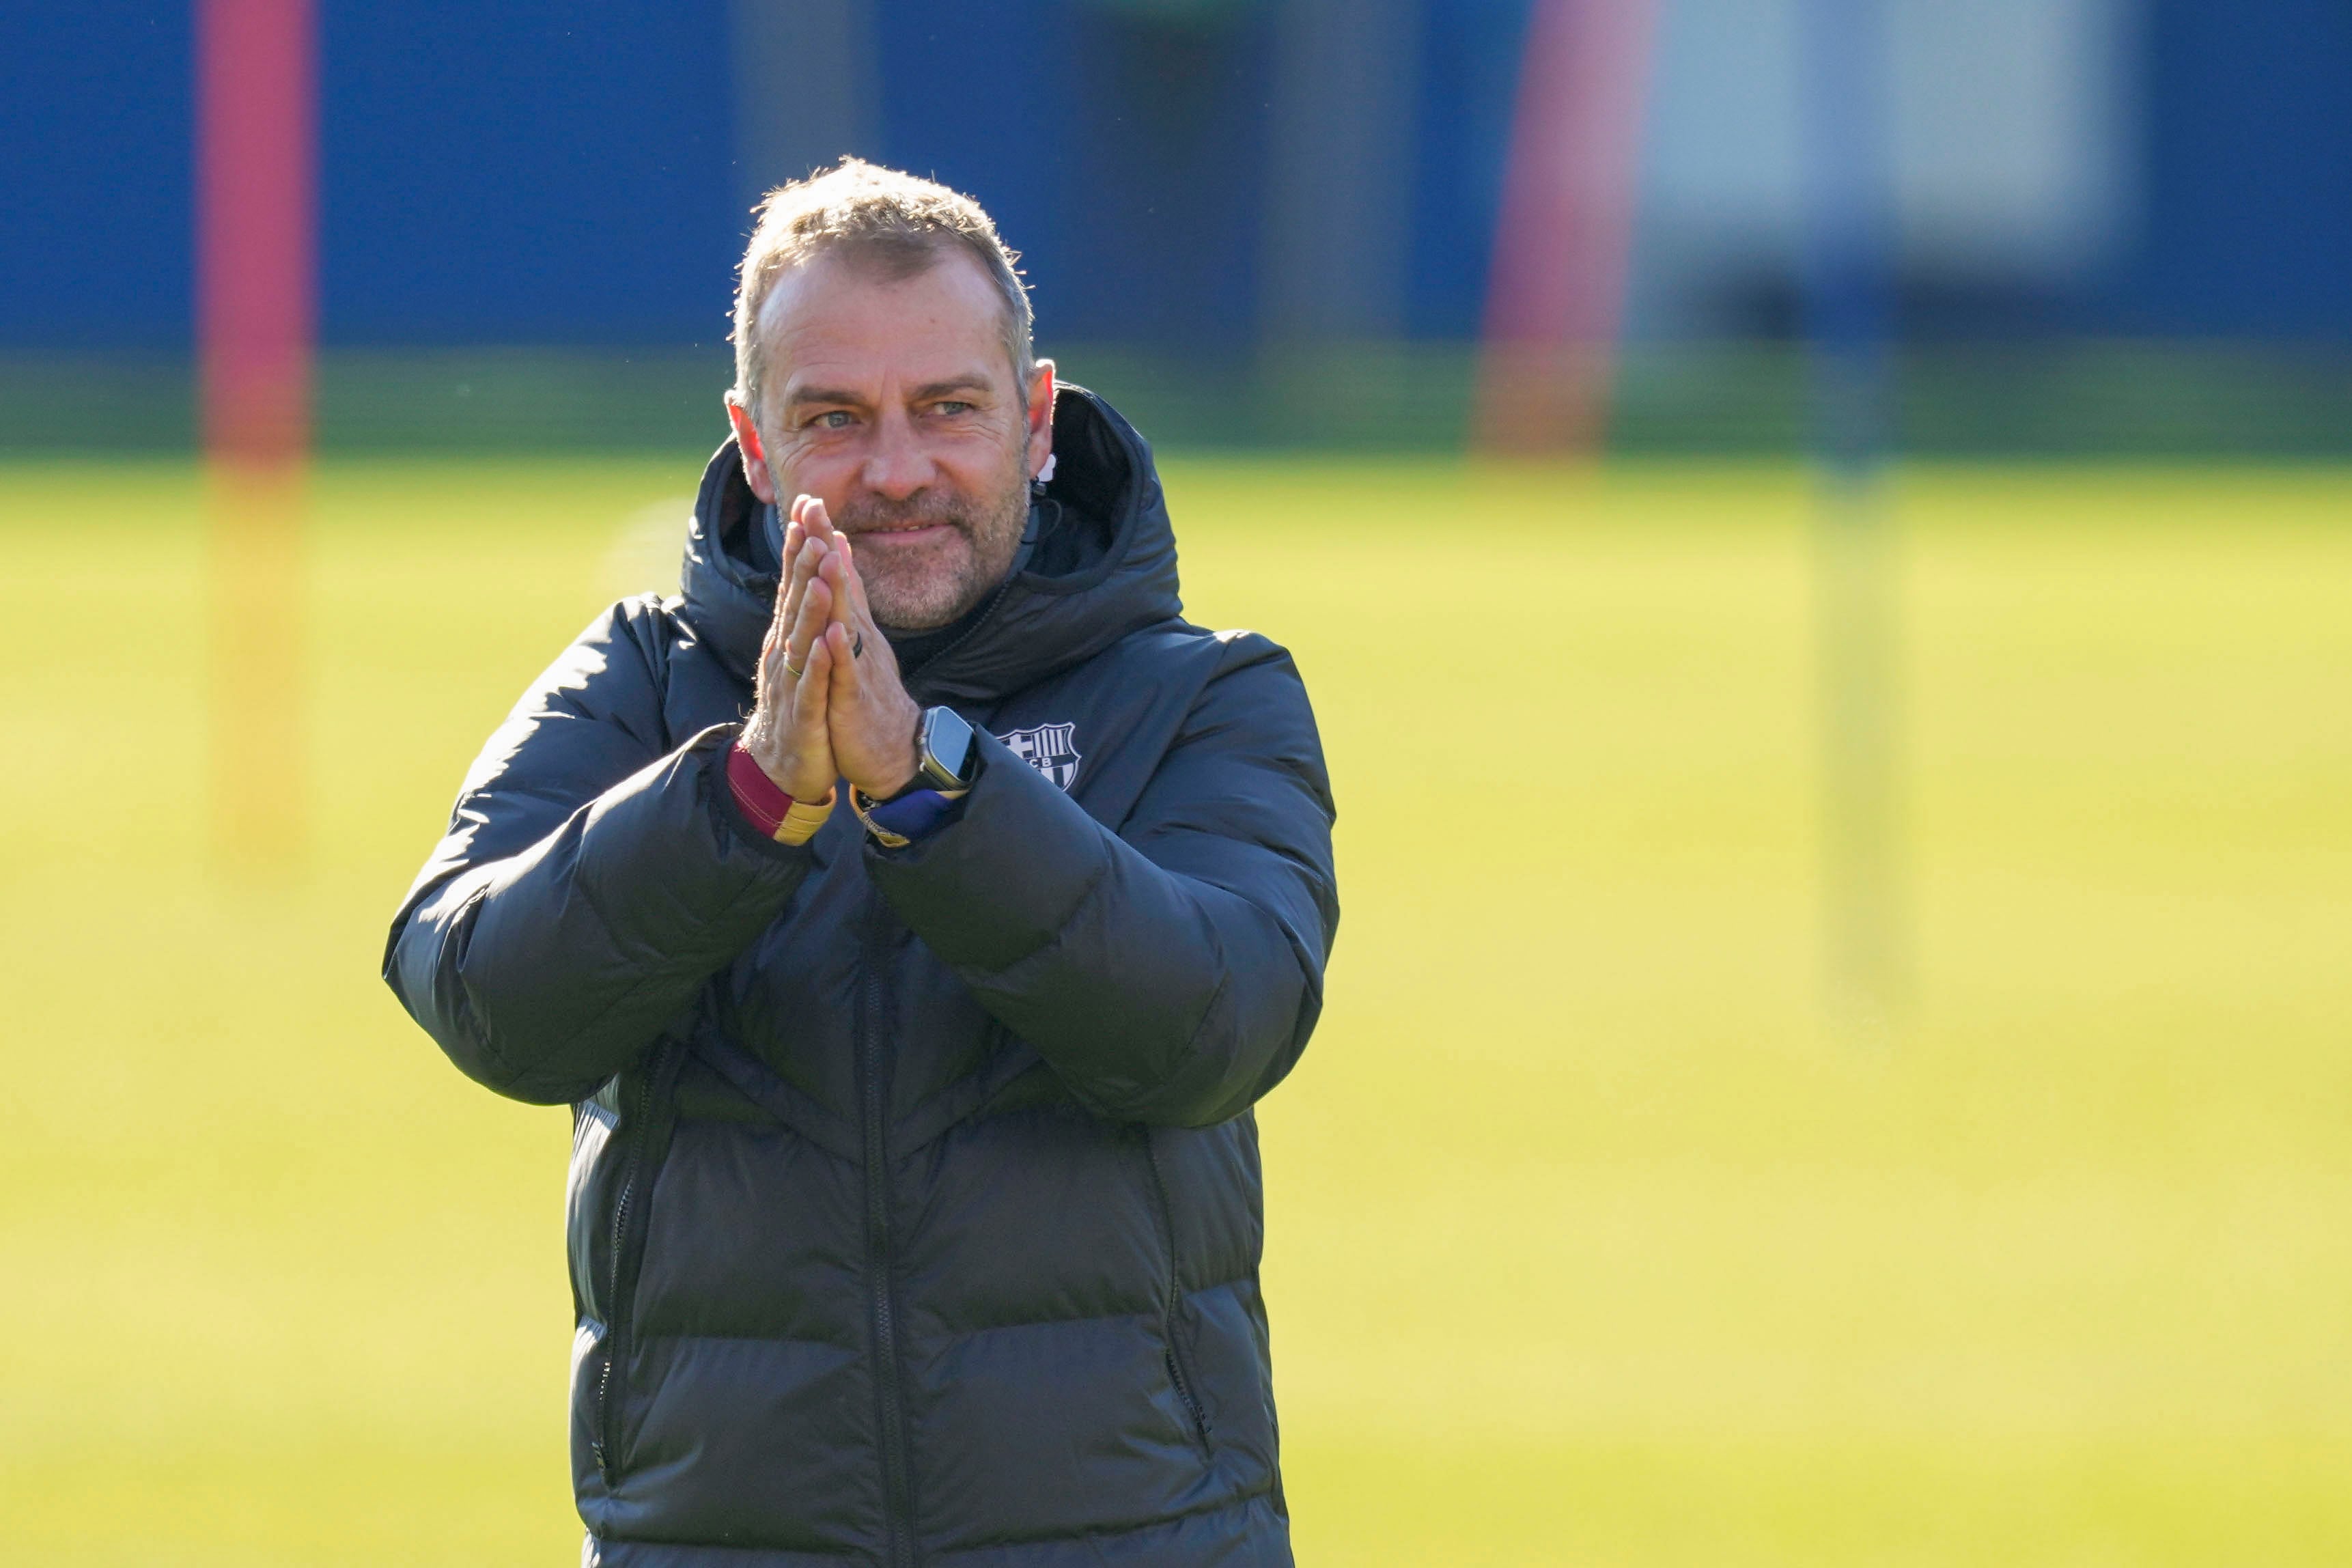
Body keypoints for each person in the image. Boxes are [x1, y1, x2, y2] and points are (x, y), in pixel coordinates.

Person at [383, 159, 1338, 1567]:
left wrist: (933, 790)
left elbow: (1211, 1025)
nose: (896, 471)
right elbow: (480, 991)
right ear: (754, 445)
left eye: (947, 409)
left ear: (1035, 418)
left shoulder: (1201, 696)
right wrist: (747, 795)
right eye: (834, 419)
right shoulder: (643, 685)